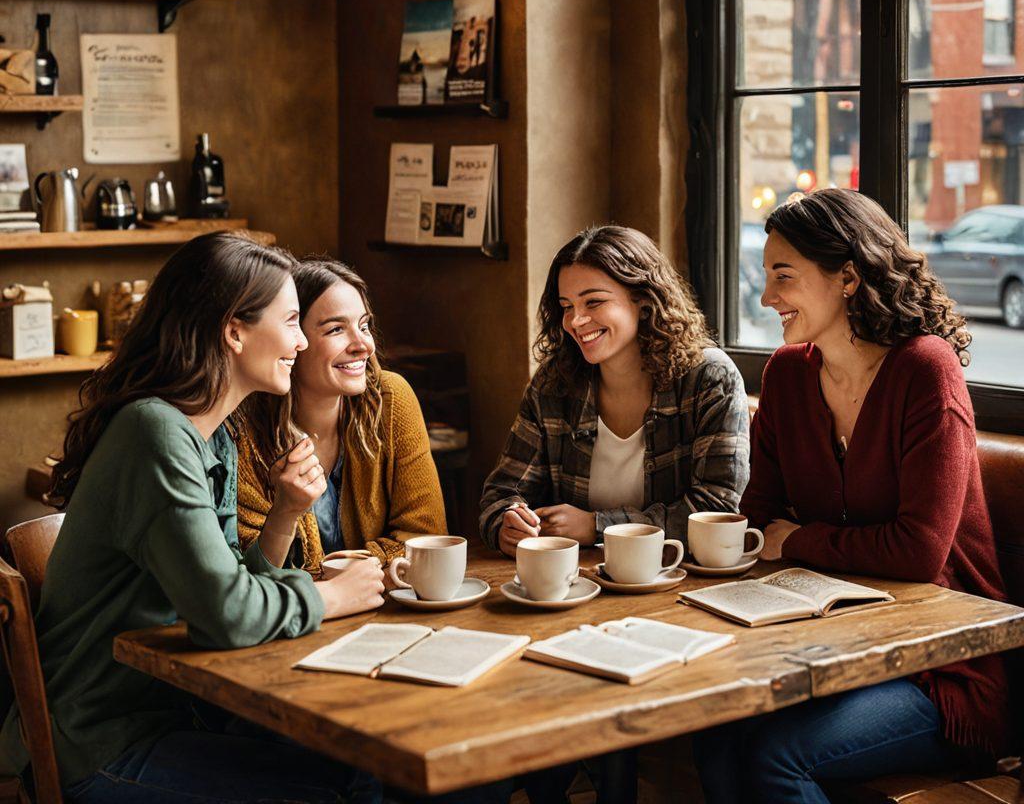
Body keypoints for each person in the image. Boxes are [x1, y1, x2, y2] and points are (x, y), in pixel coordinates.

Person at [0, 233, 386, 803]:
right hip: (103, 743)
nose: (302, 341)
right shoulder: (154, 433)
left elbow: (226, 587)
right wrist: (331, 597)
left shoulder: (210, 435)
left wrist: (284, 515)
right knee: (344, 791)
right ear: (234, 331)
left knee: (365, 771)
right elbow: (226, 616)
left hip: (180, 715)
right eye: (290, 321)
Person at [696, 189, 1010, 803]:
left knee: (778, 756)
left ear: (846, 278)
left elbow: (919, 553)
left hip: (938, 669)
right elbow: (758, 518)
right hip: (829, 643)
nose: (766, 297)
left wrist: (799, 541)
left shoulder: (925, 370)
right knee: (713, 732)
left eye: (783, 276)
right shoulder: (787, 374)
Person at [479, 225, 750, 557]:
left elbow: (716, 509)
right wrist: (506, 523)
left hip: (677, 576)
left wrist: (597, 525)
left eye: (593, 302)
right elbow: (502, 493)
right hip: (575, 578)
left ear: (644, 301)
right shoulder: (553, 384)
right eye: (566, 306)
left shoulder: (711, 379)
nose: (576, 321)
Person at [234, 257, 447, 574]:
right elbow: (248, 572)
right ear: (293, 340)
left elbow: (426, 538)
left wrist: (337, 575)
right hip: (298, 608)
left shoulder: (390, 400)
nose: (363, 346)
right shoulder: (242, 433)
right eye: (336, 329)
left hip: (380, 600)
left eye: (364, 326)